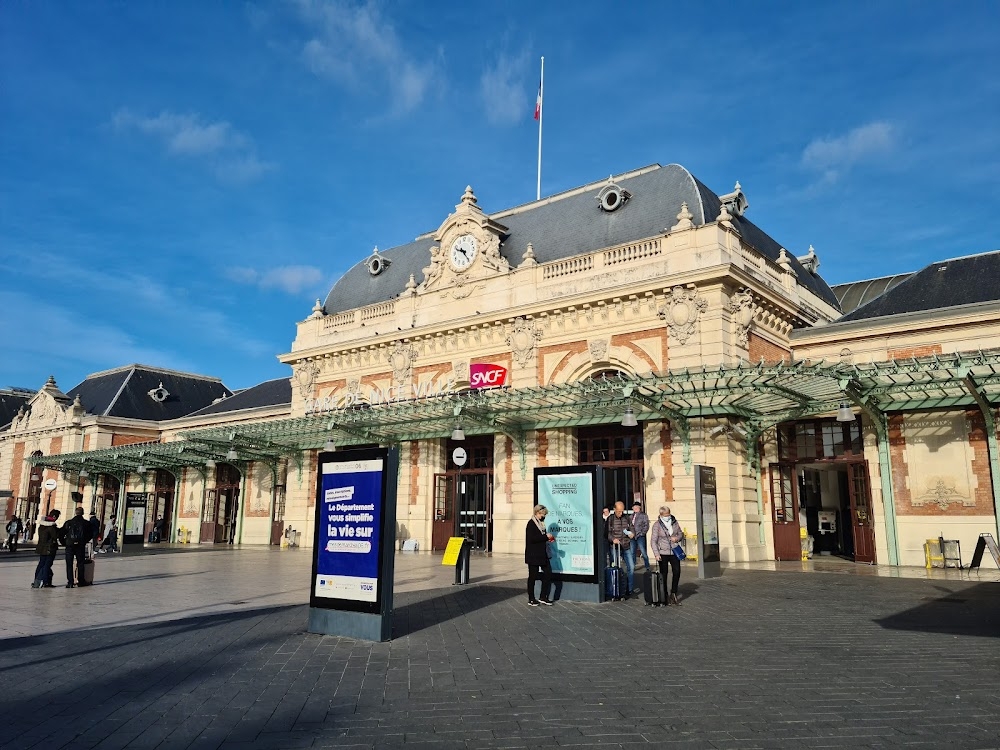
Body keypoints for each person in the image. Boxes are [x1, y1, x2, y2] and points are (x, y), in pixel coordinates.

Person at [650, 504, 684, 605]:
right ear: (661, 515)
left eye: (669, 514)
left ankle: (673, 593)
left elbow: (680, 533)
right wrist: (656, 554)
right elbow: (653, 540)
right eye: (666, 515)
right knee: (663, 574)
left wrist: (676, 538)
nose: (668, 516)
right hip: (662, 552)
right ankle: (664, 595)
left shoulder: (674, 522)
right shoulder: (657, 525)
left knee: (677, 571)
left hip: (674, 550)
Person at [524, 504, 554, 607]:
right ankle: (531, 598)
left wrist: (547, 538)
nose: (544, 516)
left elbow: (541, 537)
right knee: (532, 576)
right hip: (533, 555)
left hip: (542, 554)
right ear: (537, 513)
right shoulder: (531, 524)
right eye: (543, 514)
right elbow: (532, 539)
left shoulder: (541, 524)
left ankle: (543, 596)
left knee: (548, 573)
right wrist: (546, 537)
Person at [607, 501, 636, 595]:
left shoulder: (626, 518)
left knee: (631, 567)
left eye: (622, 511)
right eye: (619, 511)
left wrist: (632, 533)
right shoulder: (610, 519)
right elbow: (607, 533)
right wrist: (613, 539)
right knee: (615, 567)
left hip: (626, 545)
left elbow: (631, 527)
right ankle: (616, 589)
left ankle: (630, 589)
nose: (620, 513)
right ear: (614, 509)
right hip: (615, 547)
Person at [61, 507, 92, 588]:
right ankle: (81, 581)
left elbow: (61, 533)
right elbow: (90, 534)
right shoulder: (86, 523)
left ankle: (70, 582)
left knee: (69, 564)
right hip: (80, 545)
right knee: (80, 563)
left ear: (75, 513)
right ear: (82, 513)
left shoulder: (69, 522)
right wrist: (84, 541)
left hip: (70, 545)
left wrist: (64, 543)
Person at [31, 509, 61, 589]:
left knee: (41, 564)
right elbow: (55, 536)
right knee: (47, 565)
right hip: (50, 548)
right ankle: (45, 582)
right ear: (54, 516)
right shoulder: (52, 526)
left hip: (41, 547)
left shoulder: (42, 525)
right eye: (57, 516)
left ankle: (36, 580)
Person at [631, 501, 650, 571]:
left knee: (643, 551)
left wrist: (642, 533)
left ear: (639, 508)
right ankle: (632, 566)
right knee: (632, 552)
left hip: (640, 536)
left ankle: (647, 565)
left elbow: (646, 525)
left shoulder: (643, 515)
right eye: (634, 507)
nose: (635, 508)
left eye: (637, 507)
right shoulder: (631, 516)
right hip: (632, 536)